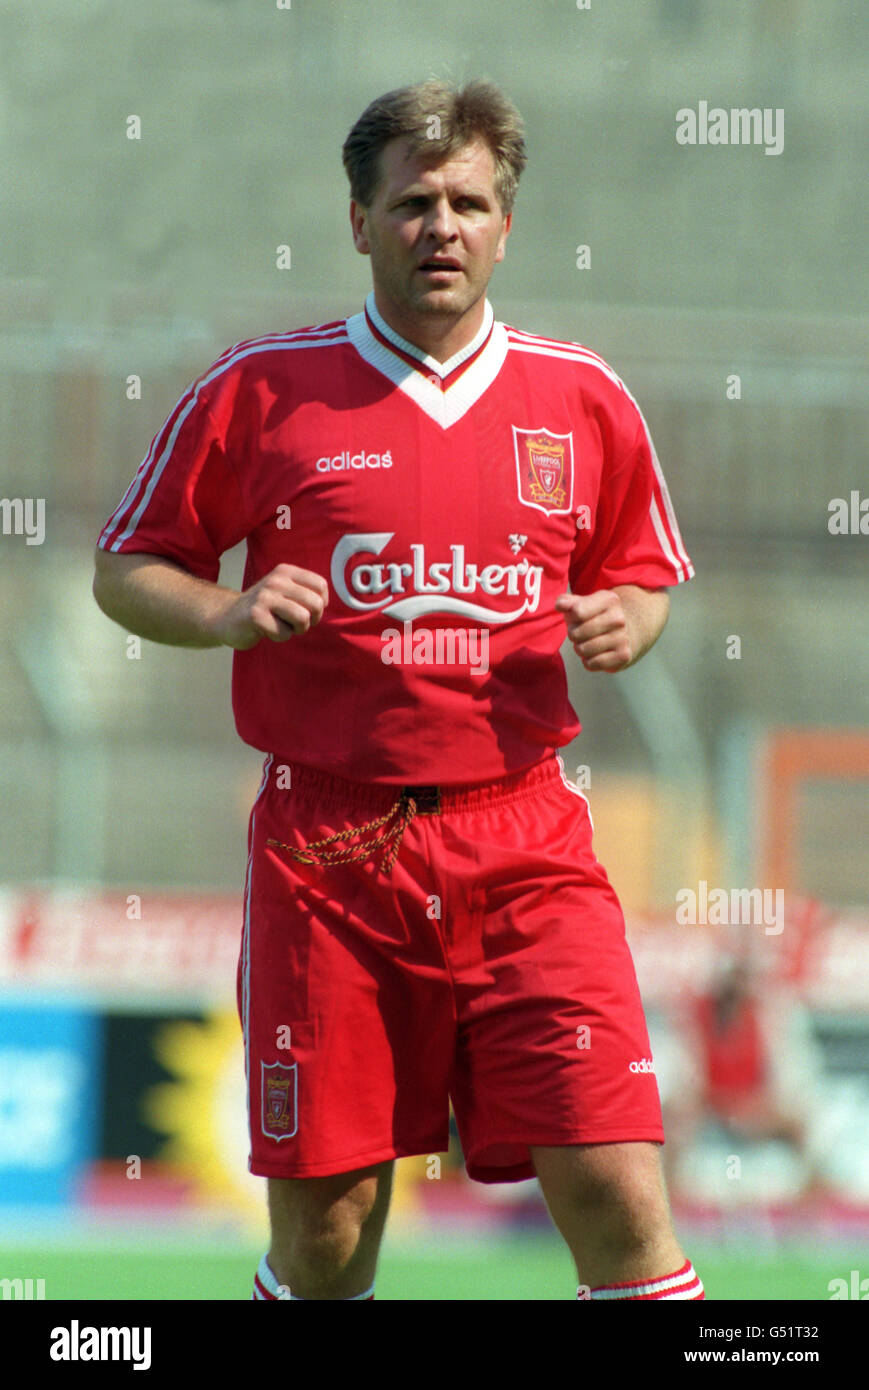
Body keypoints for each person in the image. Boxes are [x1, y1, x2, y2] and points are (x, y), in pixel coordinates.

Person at [93, 79, 701, 1301]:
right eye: (413, 201)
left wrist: (628, 622)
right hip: (330, 852)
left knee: (619, 1196)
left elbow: (641, 577)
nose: (443, 226)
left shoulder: (578, 396)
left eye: (469, 203)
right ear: (357, 220)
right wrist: (224, 612)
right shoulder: (260, 391)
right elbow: (127, 568)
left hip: (525, 838)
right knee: (327, 1238)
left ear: (505, 227)